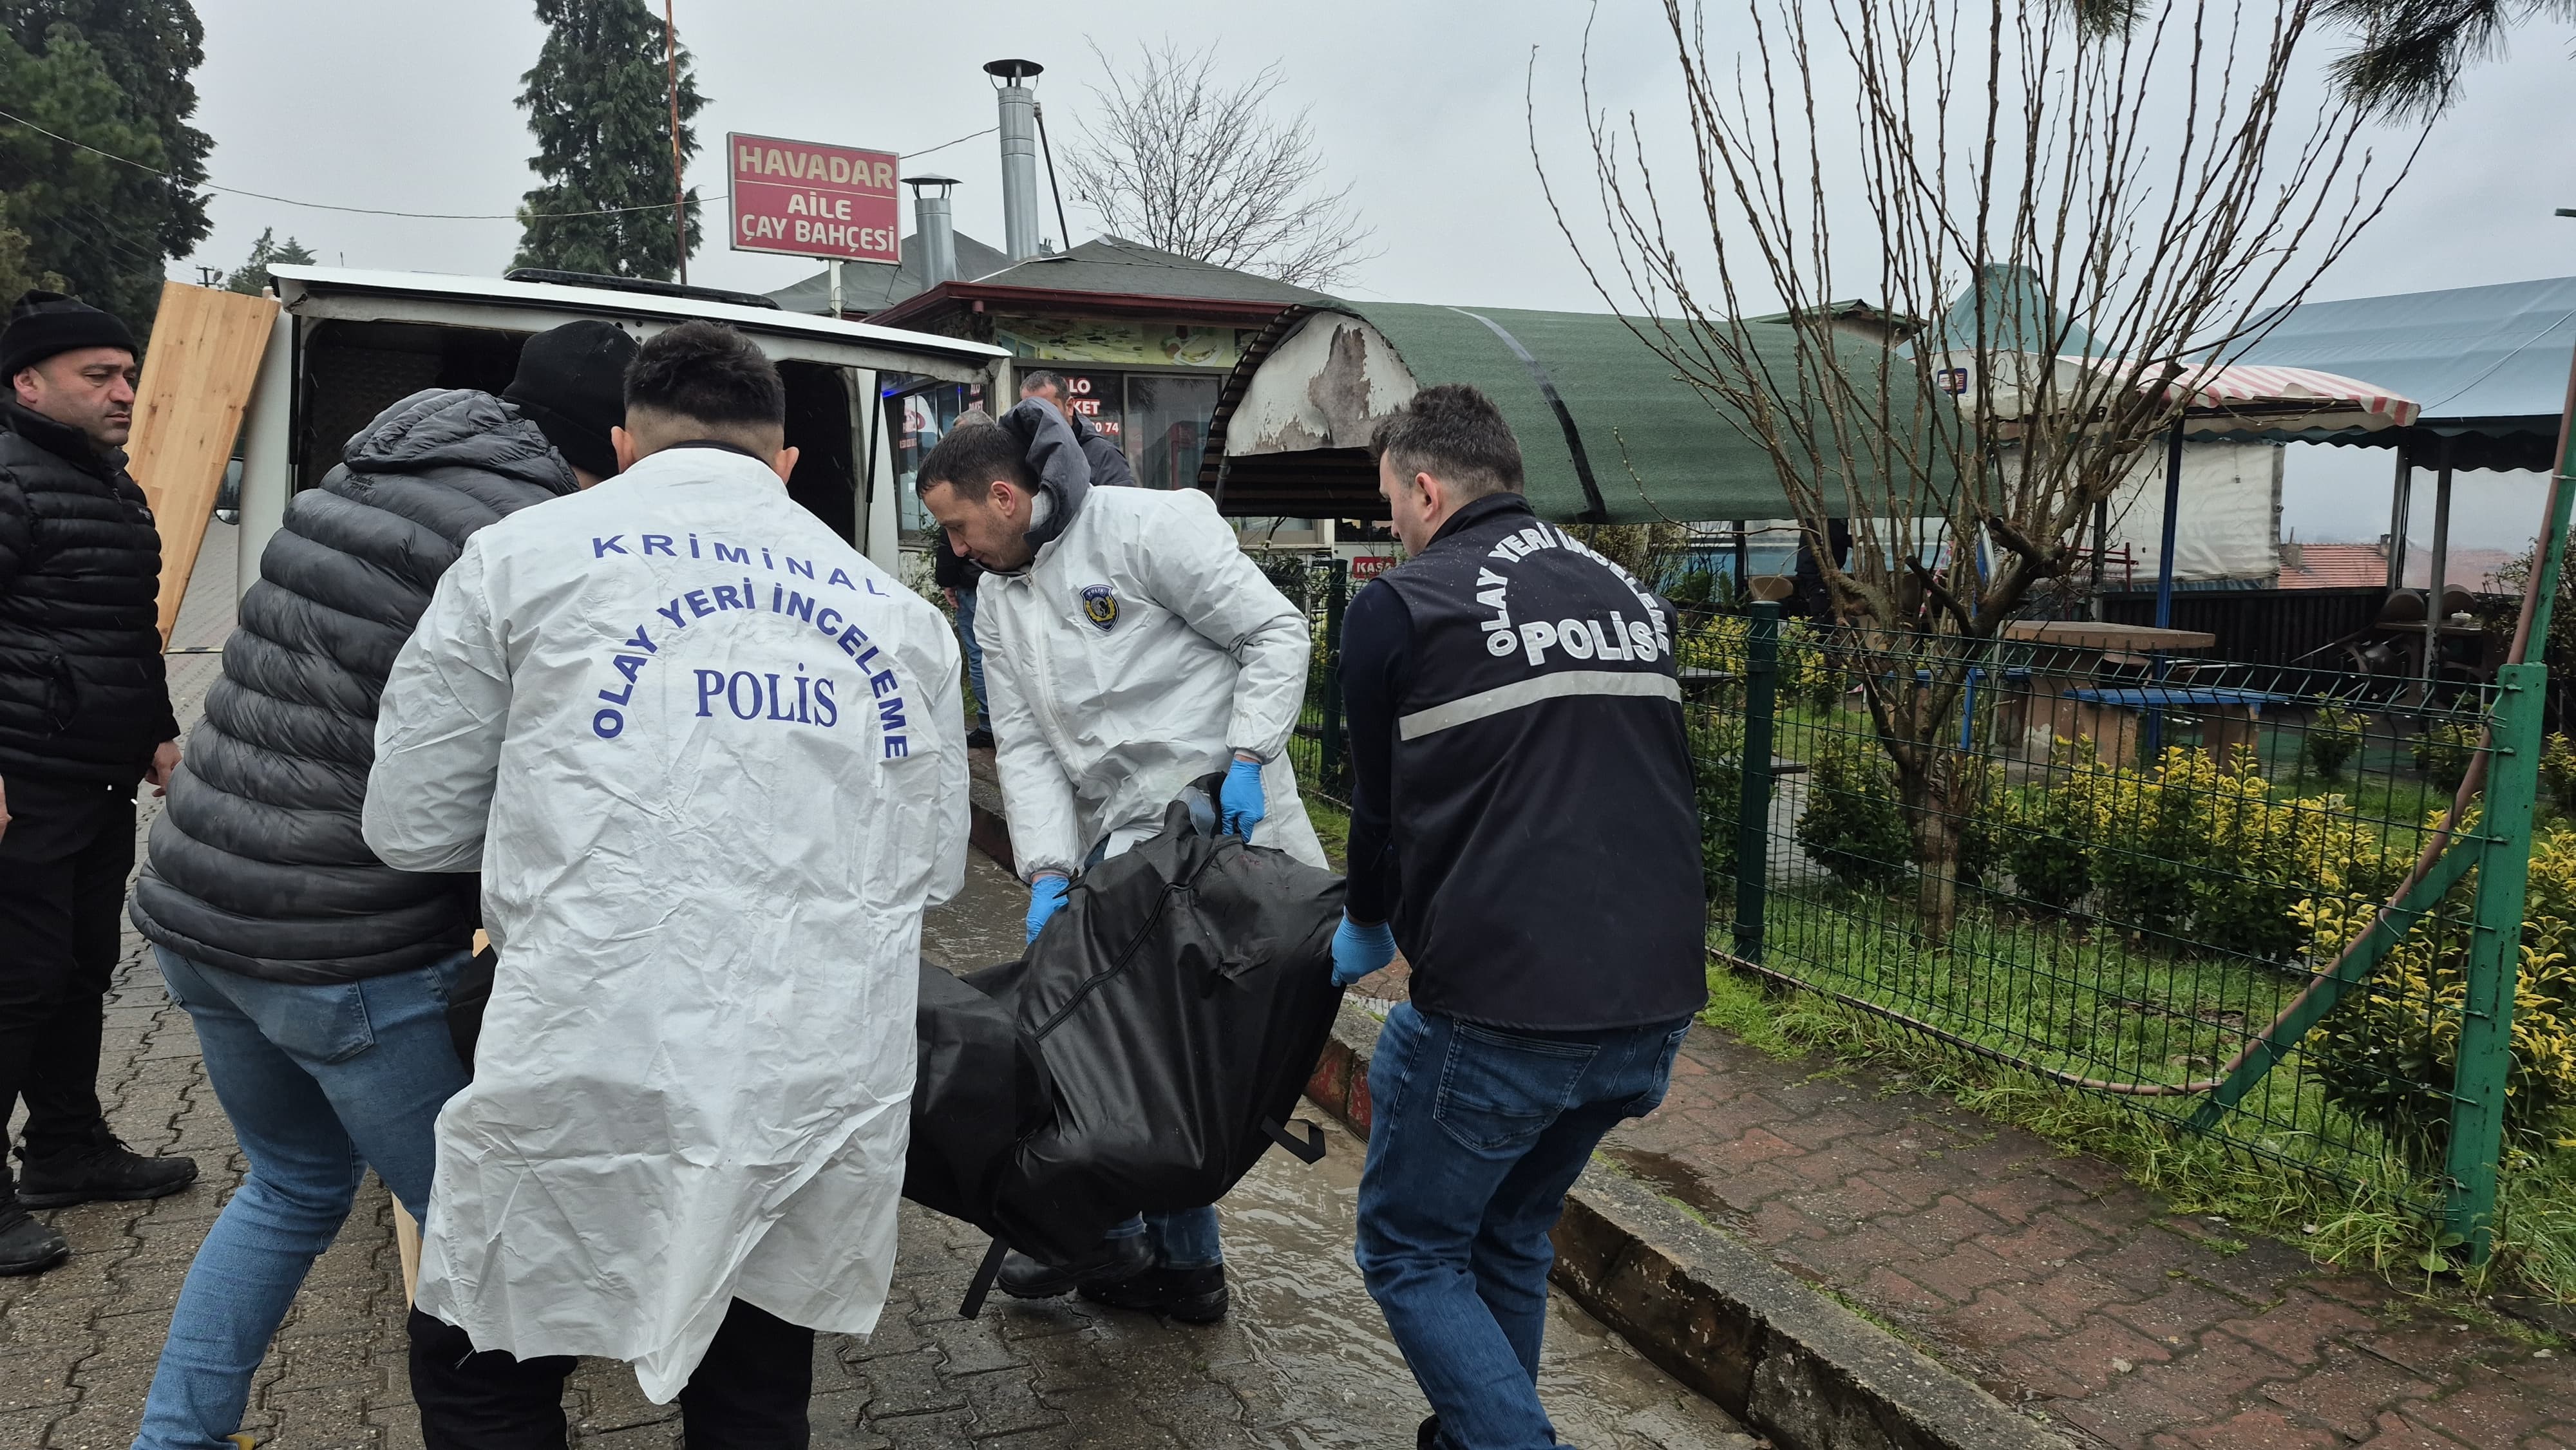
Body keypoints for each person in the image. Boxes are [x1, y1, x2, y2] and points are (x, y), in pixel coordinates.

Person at [366, 320, 967, 1447]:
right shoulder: (900, 618)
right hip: (803, 1066)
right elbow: (929, 870)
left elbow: (410, 824)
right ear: (786, 464)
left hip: (586, 1040)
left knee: (488, 1362)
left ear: (623, 444)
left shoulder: (520, 558)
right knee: (751, 1390)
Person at [122, 319, 639, 1449]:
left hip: (198, 912)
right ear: (615, 434)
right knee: (487, 1232)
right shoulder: (528, 538)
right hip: (339, 945)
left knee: (293, 1188)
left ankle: (173, 1437)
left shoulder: (363, 472)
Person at [1327, 385, 1707, 1450]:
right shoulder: (1632, 596)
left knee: (1410, 1249)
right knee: (1508, 1232)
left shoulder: (1400, 606)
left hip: (1501, 1011)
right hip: (1654, 1007)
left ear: (1429, 486)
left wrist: (1365, 923)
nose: (1390, 522)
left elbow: (1379, 809)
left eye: (1391, 500)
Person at [913, 401, 1321, 1324]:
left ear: (1007, 498)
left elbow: (1274, 632)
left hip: (1217, 826)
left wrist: (1250, 758)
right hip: (1122, 847)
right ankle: (1166, 1260)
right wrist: (1049, 867)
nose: (958, 547)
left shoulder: (1146, 529)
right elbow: (1021, 744)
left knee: (1158, 1053)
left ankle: (1133, 1244)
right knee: (1130, 1046)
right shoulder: (1000, 602)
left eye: (958, 525)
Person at [0, 291, 194, 1277]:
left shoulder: (110, 483)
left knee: (78, 970)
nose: (123, 391)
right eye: (98, 376)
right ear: (29, 383)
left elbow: (125, 629)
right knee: (15, 981)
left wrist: (158, 733)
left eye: (127, 373)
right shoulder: (9, 478)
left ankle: (68, 1150)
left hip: (92, 777)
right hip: (22, 779)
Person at [933, 500, 993, 749]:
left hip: (971, 587)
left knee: (980, 655)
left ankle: (989, 726)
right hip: (1006, 578)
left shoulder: (957, 496)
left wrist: (948, 581)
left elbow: (949, 547)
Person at [1017, 368, 1139, 489]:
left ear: (1069, 407)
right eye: (1030, 411)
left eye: (1048, 410)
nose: (1039, 418)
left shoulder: (1104, 455)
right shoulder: (1020, 452)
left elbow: (1121, 505)